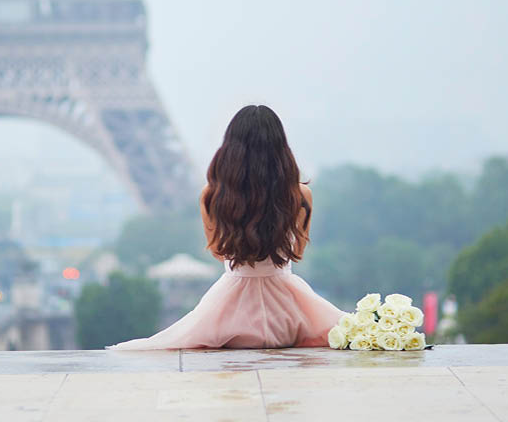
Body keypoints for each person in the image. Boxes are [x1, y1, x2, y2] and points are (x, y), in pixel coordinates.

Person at [106, 105, 343, 349]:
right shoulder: (300, 195)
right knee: (339, 332)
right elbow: (299, 252)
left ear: (231, 147)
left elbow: (218, 251)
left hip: (232, 313)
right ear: (281, 147)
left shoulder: (212, 195)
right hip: (289, 314)